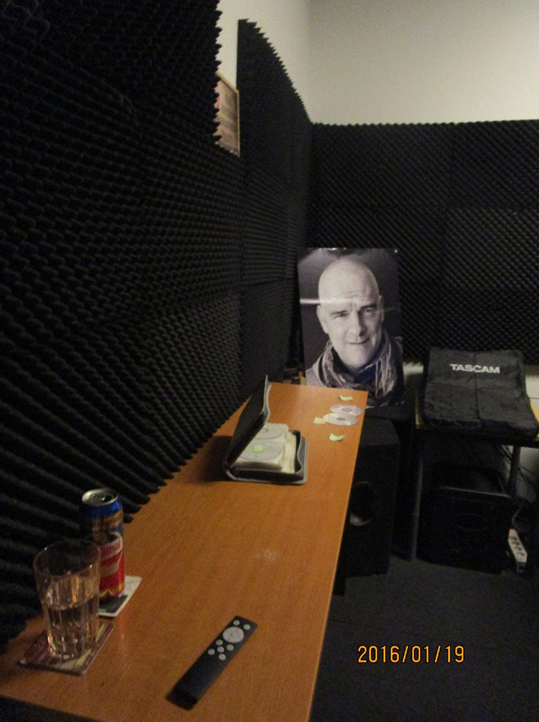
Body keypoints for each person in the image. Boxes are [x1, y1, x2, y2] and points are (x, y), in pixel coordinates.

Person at [305, 255, 404, 406]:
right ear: (323, 320)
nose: (357, 329)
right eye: (341, 314)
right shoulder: (305, 386)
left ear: (381, 310)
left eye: (367, 310)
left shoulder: (410, 369)